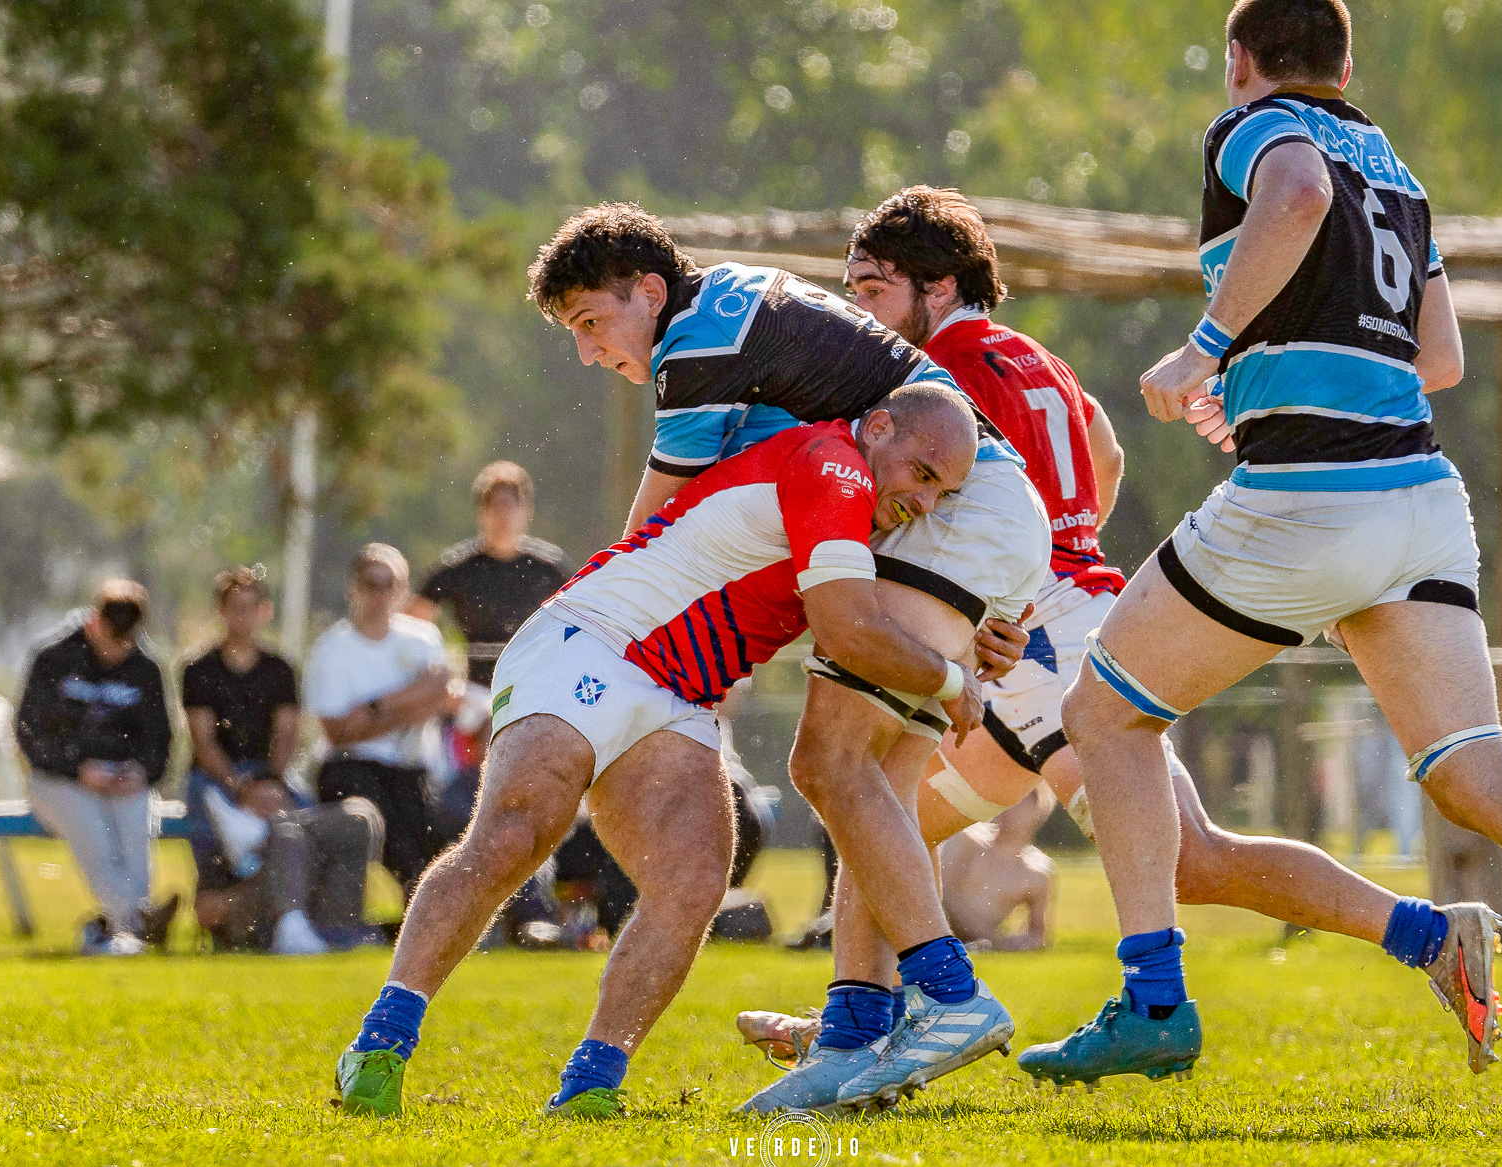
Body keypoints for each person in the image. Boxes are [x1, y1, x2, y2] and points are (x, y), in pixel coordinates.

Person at [1019, 0, 1502, 1128]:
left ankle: (1152, 1002)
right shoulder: (1398, 171)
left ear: (1242, 60)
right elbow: (1439, 356)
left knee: (1105, 720)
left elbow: (1294, 196)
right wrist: (1261, 386)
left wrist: (1207, 350)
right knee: (1480, 775)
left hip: (1306, 502)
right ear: (1348, 62)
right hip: (1419, 500)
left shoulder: (1258, 128)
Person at [738, 186, 1494, 1103]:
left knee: (1187, 858)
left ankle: (1431, 937)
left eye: (872, 287)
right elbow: (1104, 452)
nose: (859, 308)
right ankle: (862, 1028)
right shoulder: (1030, 357)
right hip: (1059, 615)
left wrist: (1021, 583)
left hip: (1040, 639)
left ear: (937, 287)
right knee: (885, 815)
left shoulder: (933, 369)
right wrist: (1061, 549)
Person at [333, 387, 987, 1120]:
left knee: (695, 877)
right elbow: (849, 630)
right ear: (879, 428)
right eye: (923, 474)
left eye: (943, 491)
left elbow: (897, 611)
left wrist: (971, 633)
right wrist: (951, 678)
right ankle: (380, 1042)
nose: (924, 501)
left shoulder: (863, 510)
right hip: (596, 638)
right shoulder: (834, 465)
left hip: (681, 693)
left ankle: (591, 1085)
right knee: (518, 833)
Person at [529, 202, 1053, 1114]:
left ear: (650, 292)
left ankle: (951, 994)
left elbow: (655, 536)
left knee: (828, 765)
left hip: (964, 518)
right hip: (989, 516)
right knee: (871, 793)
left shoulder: (694, 350)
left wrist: (593, 647)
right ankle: (857, 1037)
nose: (588, 353)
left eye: (590, 323)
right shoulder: (730, 304)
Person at [183, 567, 379, 954]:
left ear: (264, 611)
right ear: (220, 612)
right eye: (234, 608)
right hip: (217, 779)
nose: (242, 616)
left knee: (307, 823)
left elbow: (287, 734)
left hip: (268, 773)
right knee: (214, 814)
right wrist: (239, 789)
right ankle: (237, 878)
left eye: (249, 607)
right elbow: (204, 743)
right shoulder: (198, 669)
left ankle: (294, 902)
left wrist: (269, 783)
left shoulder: (279, 668)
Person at [15, 580, 177, 955]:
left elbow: (160, 742)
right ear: (93, 622)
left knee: (136, 828)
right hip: (57, 780)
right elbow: (28, 734)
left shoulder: (144, 668)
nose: (116, 649)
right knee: (93, 833)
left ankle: (119, 930)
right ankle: (137, 919)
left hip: (122, 779)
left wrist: (140, 772)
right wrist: (77, 769)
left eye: (125, 641)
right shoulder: (53, 658)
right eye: (110, 636)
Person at [305, 545, 459, 898]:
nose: (380, 594)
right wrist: (414, 701)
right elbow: (338, 732)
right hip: (350, 766)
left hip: (412, 767)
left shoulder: (423, 638)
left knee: (433, 834)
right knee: (394, 831)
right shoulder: (331, 648)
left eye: (390, 585)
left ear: (403, 590)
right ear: (352, 588)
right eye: (370, 584)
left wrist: (374, 706)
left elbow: (442, 694)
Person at [409, 461, 567, 689]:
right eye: (495, 506)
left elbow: (583, 619)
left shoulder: (551, 569)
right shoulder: (458, 568)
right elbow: (409, 623)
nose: (503, 515)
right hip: (473, 694)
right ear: (480, 512)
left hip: (535, 688)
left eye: (510, 506)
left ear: (527, 510)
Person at [939, 792, 1056, 952]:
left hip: (977, 944)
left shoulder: (1036, 873)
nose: (1008, 810)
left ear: (1036, 810)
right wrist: (990, 938)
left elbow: (1037, 937)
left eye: (1018, 804)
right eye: (1005, 802)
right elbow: (941, 892)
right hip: (941, 932)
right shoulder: (967, 838)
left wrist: (1012, 944)